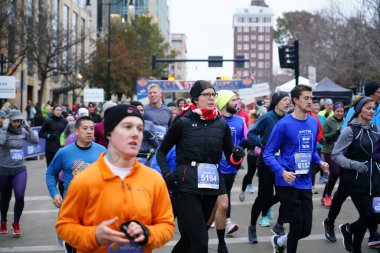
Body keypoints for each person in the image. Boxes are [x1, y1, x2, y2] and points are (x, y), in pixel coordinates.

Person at [55, 104, 174, 253]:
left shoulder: (153, 179)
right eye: (127, 127)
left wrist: (147, 233)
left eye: (140, 128)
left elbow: (167, 226)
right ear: (109, 133)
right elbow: (64, 226)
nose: (135, 134)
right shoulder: (84, 180)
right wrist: (94, 236)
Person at [156, 80, 245, 253]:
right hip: (186, 184)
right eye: (206, 94)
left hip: (211, 184)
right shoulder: (183, 122)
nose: (211, 98)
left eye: (213, 94)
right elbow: (162, 152)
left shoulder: (221, 124)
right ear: (196, 99)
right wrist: (167, 175)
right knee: (201, 242)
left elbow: (231, 158)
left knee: (190, 239)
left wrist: (238, 154)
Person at [264, 85, 329, 253]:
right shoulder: (283, 125)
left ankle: (279, 241)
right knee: (296, 224)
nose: (310, 101)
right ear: (295, 100)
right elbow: (268, 154)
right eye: (306, 98)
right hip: (287, 182)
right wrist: (282, 172)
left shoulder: (313, 121)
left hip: (305, 181)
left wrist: (319, 162)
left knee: (306, 229)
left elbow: (312, 150)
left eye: (311, 98)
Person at [324, 82, 380, 248]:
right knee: (365, 213)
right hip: (356, 179)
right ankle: (334, 224)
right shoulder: (350, 128)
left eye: (373, 109)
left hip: (375, 180)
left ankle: (348, 229)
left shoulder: (376, 129)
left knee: (376, 214)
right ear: (360, 109)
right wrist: (353, 164)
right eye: (367, 108)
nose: (371, 111)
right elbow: (336, 154)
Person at [246, 91, 290, 244]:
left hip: (284, 164)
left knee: (284, 195)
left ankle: (279, 225)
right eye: (285, 100)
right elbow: (251, 134)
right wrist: (264, 144)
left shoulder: (288, 118)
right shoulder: (267, 117)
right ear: (277, 101)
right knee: (264, 197)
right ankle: (252, 227)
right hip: (266, 163)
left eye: (289, 100)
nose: (288, 103)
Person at [206, 90, 247, 253]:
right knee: (223, 204)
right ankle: (221, 243)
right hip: (214, 168)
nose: (237, 102)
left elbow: (244, 140)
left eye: (237, 99)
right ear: (224, 102)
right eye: (233, 99)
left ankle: (204, 230)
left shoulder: (240, 120)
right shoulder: (214, 120)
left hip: (231, 167)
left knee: (217, 207)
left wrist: (244, 147)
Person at [0, 109, 39, 235]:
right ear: (9, 121)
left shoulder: (22, 131)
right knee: (5, 198)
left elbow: (35, 140)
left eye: (19, 121)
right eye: (14, 121)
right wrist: (5, 128)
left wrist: (27, 126)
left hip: (20, 168)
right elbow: (1, 142)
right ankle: (3, 220)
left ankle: (16, 223)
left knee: (20, 196)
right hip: (4, 169)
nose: (17, 123)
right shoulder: (3, 131)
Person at [240, 106, 267, 201]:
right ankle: (243, 190)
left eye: (265, 113)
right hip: (253, 154)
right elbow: (248, 139)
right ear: (258, 115)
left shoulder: (268, 124)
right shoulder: (253, 125)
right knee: (250, 173)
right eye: (262, 113)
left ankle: (262, 196)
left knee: (262, 175)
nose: (264, 115)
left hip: (264, 155)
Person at [320, 102, 344, 207]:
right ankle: (328, 196)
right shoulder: (329, 121)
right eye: (338, 111)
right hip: (328, 151)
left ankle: (324, 196)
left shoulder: (345, 121)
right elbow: (324, 137)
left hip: (340, 152)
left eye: (342, 111)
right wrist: (336, 133)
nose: (340, 113)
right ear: (334, 111)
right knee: (335, 173)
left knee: (335, 175)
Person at [130, 101, 159, 166]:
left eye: (142, 110)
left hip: (146, 159)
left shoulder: (149, 124)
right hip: (130, 159)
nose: (140, 112)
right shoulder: (126, 125)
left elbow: (156, 145)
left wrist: (149, 135)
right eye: (137, 110)